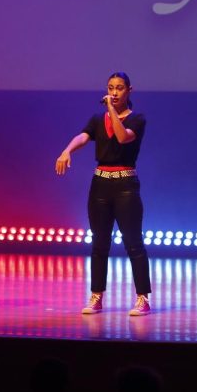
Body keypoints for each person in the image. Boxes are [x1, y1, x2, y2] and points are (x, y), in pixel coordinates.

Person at [55, 72, 151, 316]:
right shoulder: (98, 119)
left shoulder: (137, 119)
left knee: (133, 243)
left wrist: (111, 110)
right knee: (99, 243)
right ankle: (96, 296)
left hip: (126, 185)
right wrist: (67, 150)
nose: (114, 92)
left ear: (129, 90)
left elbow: (122, 136)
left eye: (119, 88)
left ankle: (143, 299)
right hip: (100, 184)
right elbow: (83, 136)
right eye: (111, 88)